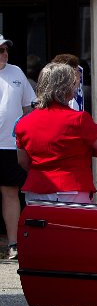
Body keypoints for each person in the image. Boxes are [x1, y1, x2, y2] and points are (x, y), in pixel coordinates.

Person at [15, 62, 97, 306]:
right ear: (66, 89)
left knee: (41, 255)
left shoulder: (25, 122)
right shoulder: (78, 119)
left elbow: (23, 161)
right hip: (73, 190)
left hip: (37, 191)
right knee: (72, 255)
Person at [0, 33, 36, 260]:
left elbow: (28, 110)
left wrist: (26, 139)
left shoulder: (16, 72)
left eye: (5, 50)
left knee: (10, 192)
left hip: (9, 145)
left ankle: (13, 243)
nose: (4, 54)